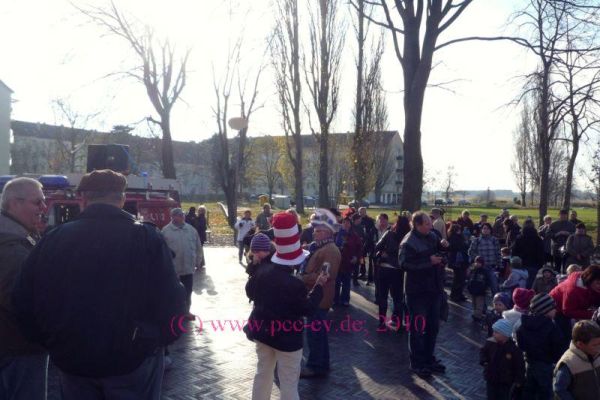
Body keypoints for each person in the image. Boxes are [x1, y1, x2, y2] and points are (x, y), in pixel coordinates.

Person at [11, 169, 187, 400]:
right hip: (133, 359)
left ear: (83, 199)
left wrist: (51, 341)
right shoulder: (147, 238)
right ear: (122, 198)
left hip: (74, 360)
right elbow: (173, 298)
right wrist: (157, 340)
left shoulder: (53, 238)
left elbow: (23, 299)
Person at [244, 212, 327, 400]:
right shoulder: (295, 284)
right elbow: (307, 309)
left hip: (262, 332)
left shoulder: (262, 271)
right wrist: (319, 286)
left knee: (263, 373)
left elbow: (250, 292)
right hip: (287, 339)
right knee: (289, 382)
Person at [0, 177, 48, 400]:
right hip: (18, 347)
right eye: (37, 202)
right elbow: (19, 299)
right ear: (14, 203)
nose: (44, 208)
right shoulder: (11, 246)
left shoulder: (17, 238)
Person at [398, 211, 449, 378]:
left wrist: (443, 252)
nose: (431, 226)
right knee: (418, 329)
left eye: (430, 223)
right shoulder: (408, 242)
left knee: (433, 327)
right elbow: (404, 264)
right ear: (417, 225)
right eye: (427, 223)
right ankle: (417, 363)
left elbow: (439, 253)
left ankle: (429, 358)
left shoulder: (432, 236)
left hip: (434, 289)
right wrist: (429, 262)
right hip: (417, 292)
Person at [300, 209, 341, 378]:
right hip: (318, 296)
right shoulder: (321, 247)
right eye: (314, 230)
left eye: (317, 231)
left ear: (327, 232)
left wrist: (303, 277)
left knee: (315, 335)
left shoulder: (330, 250)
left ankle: (315, 366)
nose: (313, 233)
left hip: (320, 298)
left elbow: (325, 276)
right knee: (319, 334)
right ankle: (322, 364)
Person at [516, 293, 564, 400]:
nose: (556, 310)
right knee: (546, 392)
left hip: (529, 362)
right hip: (546, 365)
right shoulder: (551, 326)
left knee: (529, 389)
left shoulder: (524, 323)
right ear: (545, 310)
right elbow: (557, 346)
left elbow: (520, 343)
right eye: (553, 308)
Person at [162, 208, 203, 311]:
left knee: (188, 292)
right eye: (178, 215)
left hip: (188, 269)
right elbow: (161, 251)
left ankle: (186, 312)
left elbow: (198, 247)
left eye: (182, 215)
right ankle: (174, 313)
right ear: (172, 217)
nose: (181, 217)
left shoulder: (191, 230)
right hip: (173, 270)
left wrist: (198, 261)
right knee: (173, 293)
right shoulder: (165, 231)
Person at [374, 214, 409, 330]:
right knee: (398, 298)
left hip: (385, 268)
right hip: (398, 270)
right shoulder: (408, 237)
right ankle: (398, 324)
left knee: (383, 297)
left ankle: (381, 323)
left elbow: (377, 246)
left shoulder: (389, 234)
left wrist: (382, 253)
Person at [550, 265, 600, 345]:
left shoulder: (589, 282)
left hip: (574, 307)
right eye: (598, 283)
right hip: (556, 310)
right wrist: (593, 314)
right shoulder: (573, 289)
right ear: (589, 279)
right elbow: (567, 311)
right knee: (564, 334)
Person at [553, 320, 600, 400]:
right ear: (580, 344)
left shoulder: (597, 354)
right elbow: (559, 390)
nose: (599, 347)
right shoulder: (568, 363)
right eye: (595, 345)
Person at [480, 319, 525, 400]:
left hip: (505, 381)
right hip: (491, 377)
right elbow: (483, 352)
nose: (493, 334)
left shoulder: (513, 349)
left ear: (505, 334)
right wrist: (484, 361)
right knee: (491, 396)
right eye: (494, 331)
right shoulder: (490, 342)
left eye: (496, 332)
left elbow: (519, 365)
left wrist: (519, 380)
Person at [334, 217, 362, 307]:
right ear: (341, 224)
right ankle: (335, 299)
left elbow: (359, 247)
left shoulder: (354, 235)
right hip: (337, 262)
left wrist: (356, 257)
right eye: (344, 222)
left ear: (350, 224)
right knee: (336, 282)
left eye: (348, 222)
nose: (346, 224)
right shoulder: (336, 234)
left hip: (348, 262)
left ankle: (345, 299)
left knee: (346, 282)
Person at [468, 222, 501, 294]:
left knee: (495, 287)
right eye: (484, 228)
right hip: (480, 268)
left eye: (488, 229)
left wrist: (499, 265)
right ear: (481, 230)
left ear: (490, 230)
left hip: (491, 267)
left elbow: (498, 253)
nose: (486, 230)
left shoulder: (494, 240)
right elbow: (470, 252)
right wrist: (477, 260)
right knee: (480, 289)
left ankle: (496, 300)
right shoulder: (477, 240)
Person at [512, 220, 545, 288]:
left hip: (521, 264)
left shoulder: (519, 238)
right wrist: (540, 264)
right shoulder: (538, 239)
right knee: (531, 284)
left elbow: (514, 252)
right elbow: (541, 253)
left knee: (520, 284)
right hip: (534, 264)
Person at [448, 223, 469, 302]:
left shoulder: (455, 237)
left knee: (460, 279)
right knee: (459, 279)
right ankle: (455, 295)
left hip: (459, 261)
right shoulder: (455, 238)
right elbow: (459, 247)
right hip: (458, 261)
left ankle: (458, 294)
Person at [468, 256, 490, 322]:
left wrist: (485, 288)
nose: (477, 264)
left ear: (482, 263)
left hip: (480, 291)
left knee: (479, 304)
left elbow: (487, 281)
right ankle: (476, 314)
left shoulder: (485, 271)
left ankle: (477, 316)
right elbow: (469, 278)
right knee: (474, 303)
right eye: (476, 262)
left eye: (479, 263)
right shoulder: (473, 270)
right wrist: (469, 287)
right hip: (473, 290)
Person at [358, 207, 377, 285]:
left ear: (365, 212)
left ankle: (370, 275)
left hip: (369, 242)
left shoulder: (370, 220)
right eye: (360, 212)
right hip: (361, 242)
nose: (362, 213)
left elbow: (373, 230)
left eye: (363, 212)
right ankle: (362, 271)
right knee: (361, 257)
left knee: (370, 259)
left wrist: (369, 236)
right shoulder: (358, 220)